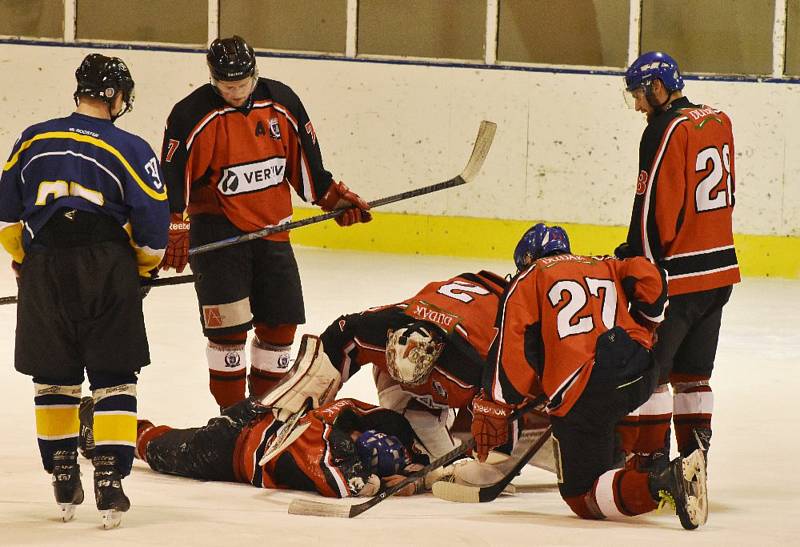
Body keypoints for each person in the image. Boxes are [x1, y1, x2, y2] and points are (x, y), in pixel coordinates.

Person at [0, 53, 169, 528]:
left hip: (45, 266)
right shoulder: (132, 148)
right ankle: (111, 480)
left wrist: (23, 257)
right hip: (106, 266)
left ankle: (61, 473)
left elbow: (6, 211)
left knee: (53, 376)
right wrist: (141, 271)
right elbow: (154, 229)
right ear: (116, 97)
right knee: (115, 376)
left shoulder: (33, 137)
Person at [158, 35, 372, 409]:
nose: (236, 92)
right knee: (229, 333)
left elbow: (309, 169)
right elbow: (172, 179)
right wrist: (173, 222)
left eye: (242, 83)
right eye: (228, 86)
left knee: (280, 328)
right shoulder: (190, 114)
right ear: (213, 79)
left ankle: (261, 412)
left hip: (274, 232)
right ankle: (231, 416)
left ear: (255, 74)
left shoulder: (282, 103)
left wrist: (336, 199)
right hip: (218, 234)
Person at [469, 224, 710, 530]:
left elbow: (511, 350)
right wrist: (647, 322)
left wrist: (497, 404)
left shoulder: (529, 277)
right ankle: (638, 464)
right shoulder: (605, 263)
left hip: (590, 390)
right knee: (605, 429)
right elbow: (651, 280)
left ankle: (664, 481)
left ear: (526, 259)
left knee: (581, 495)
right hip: (640, 369)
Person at [615, 51, 740, 471]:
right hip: (720, 270)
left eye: (638, 94)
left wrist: (639, 262)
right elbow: (729, 194)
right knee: (695, 375)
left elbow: (653, 205)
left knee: (653, 373)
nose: (636, 105)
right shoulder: (720, 119)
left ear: (657, 86)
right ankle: (694, 462)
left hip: (681, 275)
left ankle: (649, 467)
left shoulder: (663, 129)